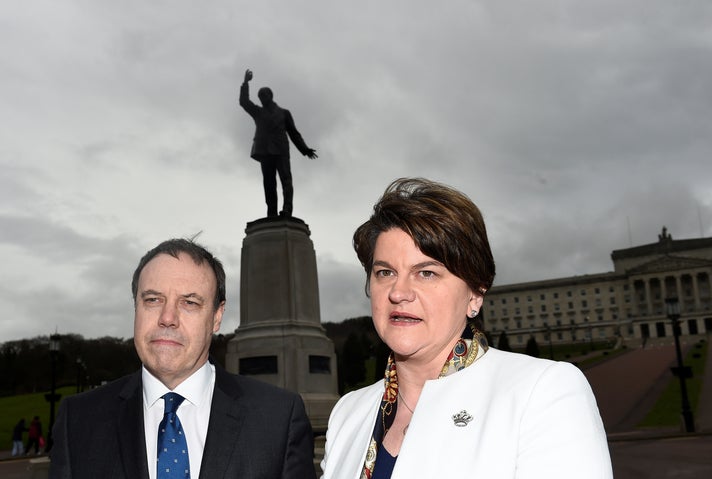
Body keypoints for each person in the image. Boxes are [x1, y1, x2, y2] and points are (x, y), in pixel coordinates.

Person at [321, 178, 612, 478]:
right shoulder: (348, 413)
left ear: (474, 294)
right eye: (385, 272)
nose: (399, 292)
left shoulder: (542, 394)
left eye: (426, 273)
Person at [50, 238, 316, 479]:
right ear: (136, 307)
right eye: (153, 299)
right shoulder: (79, 420)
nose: (167, 318)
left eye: (189, 303)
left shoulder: (278, 419)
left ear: (216, 317)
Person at [239, 69, 317, 218]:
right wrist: (245, 83)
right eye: (260, 96)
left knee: (286, 181)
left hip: (281, 150)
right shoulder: (258, 112)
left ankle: (287, 210)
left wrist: (305, 149)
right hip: (264, 151)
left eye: (263, 95)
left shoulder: (284, 113)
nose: (261, 98)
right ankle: (272, 212)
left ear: (270, 96)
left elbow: (293, 133)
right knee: (269, 184)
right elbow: (244, 102)